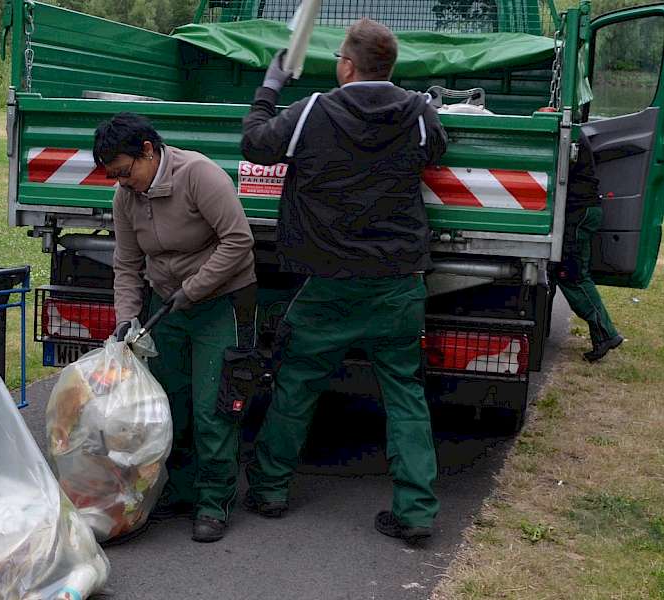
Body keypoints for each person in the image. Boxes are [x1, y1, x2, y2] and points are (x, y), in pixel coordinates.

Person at [237, 18, 447, 544]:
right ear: (389, 67)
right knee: (405, 394)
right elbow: (436, 150)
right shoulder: (418, 113)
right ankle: (416, 512)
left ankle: (269, 490)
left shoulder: (313, 111)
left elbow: (255, 145)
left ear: (347, 66)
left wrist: (269, 87)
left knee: (297, 383)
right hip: (398, 281)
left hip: (329, 281)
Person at [96, 112, 257, 543]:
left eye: (125, 171)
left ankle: (214, 500)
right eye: (115, 176)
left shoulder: (199, 175)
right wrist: (126, 318)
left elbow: (238, 240)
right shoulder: (125, 196)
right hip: (167, 305)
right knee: (170, 403)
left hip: (219, 301)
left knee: (212, 406)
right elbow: (127, 263)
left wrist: (195, 288)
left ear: (148, 151)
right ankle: (182, 489)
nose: (122, 183)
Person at [558, 152, 624, 362]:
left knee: (572, 275)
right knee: (574, 274)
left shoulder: (573, 136)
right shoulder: (580, 137)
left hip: (579, 213)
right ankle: (604, 336)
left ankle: (606, 334)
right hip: (585, 211)